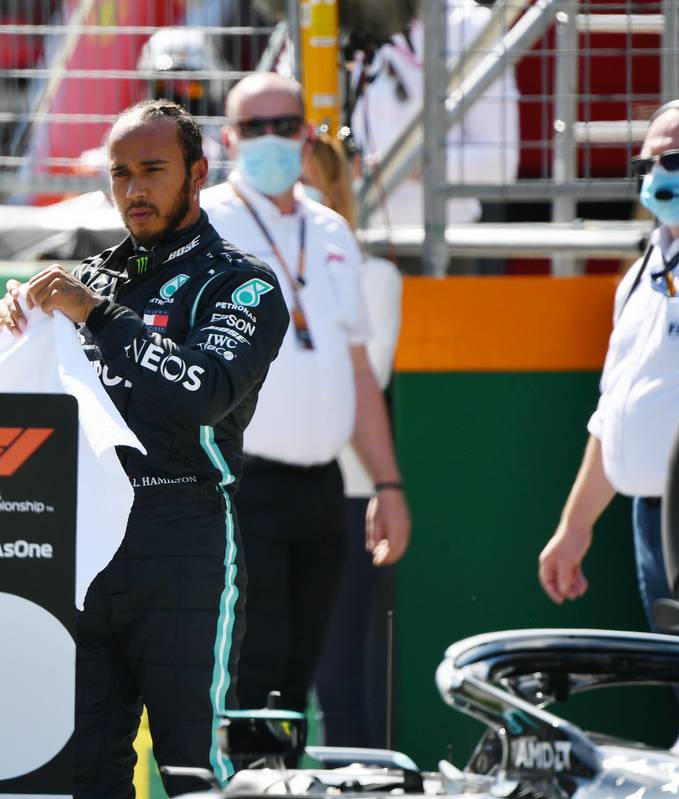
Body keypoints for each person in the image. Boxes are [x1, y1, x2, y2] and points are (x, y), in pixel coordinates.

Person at [0, 99, 289, 796]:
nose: (132, 189)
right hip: (82, 542)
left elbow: (206, 390)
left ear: (196, 174)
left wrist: (97, 315)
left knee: (193, 767)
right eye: (120, 174)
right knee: (81, 771)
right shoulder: (85, 280)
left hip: (182, 537)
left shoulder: (242, 283)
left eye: (152, 170)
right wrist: (19, 323)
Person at [200, 72, 411, 721]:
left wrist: (388, 484)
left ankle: (280, 781)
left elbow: (355, 372)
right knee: (246, 665)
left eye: (284, 126)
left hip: (320, 488)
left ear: (307, 135)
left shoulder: (329, 230)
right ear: (230, 139)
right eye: (254, 128)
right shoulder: (204, 221)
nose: (271, 140)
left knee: (301, 669)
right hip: (238, 482)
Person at [539, 100, 679, 697]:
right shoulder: (643, 271)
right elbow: (615, 411)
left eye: (676, 159)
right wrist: (575, 526)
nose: (658, 174)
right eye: (648, 162)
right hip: (652, 521)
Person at [300, 131, 405, 746]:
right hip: (264, 492)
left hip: (347, 497)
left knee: (337, 677)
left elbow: (360, 380)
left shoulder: (375, 277)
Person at [349, 0, 519, 228]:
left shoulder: (469, 24)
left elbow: (500, 163)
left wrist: (405, 165)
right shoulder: (324, 15)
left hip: (440, 241)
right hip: (332, 240)